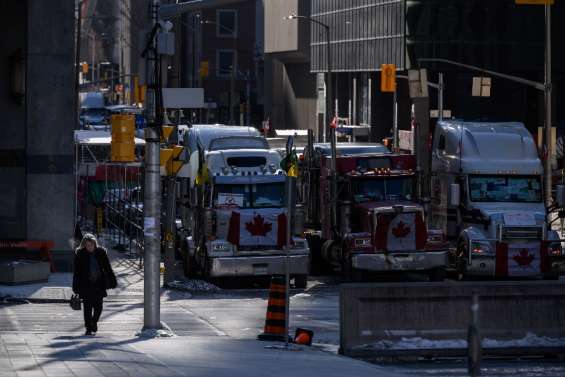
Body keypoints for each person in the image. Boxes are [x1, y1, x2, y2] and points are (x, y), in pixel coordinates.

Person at [72, 234, 117, 336]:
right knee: (87, 308)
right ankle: (88, 328)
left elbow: (107, 268)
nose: (89, 247)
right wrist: (75, 286)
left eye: (91, 245)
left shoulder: (101, 253)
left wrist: (112, 280)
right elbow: (77, 273)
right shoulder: (80, 255)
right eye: (87, 245)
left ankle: (94, 322)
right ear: (84, 245)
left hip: (99, 284)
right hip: (86, 284)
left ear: (94, 244)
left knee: (98, 307)